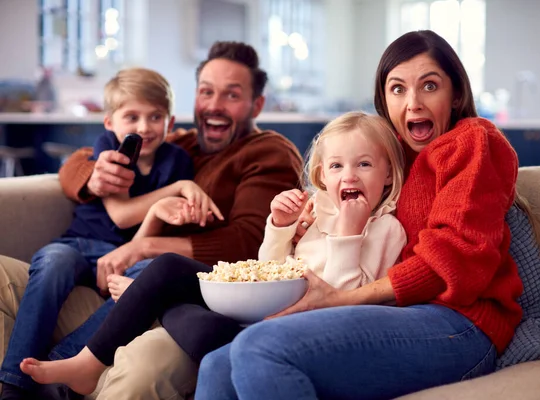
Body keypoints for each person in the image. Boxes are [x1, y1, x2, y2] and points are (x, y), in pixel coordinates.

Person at [191, 30, 540, 400]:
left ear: (456, 93)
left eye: (429, 86)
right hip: (400, 313)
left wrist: (339, 299)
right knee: (216, 365)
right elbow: (338, 190)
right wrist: (307, 225)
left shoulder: (472, 141)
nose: (412, 104)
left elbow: (453, 259)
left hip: (462, 323)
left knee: (260, 346)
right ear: (383, 98)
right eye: (398, 89)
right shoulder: (387, 154)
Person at [17, 111, 408, 395]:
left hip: (285, 332)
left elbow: (345, 302)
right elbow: (267, 270)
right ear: (322, 174)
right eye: (337, 166)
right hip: (257, 310)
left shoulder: (386, 230)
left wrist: (348, 234)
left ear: (388, 174)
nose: (349, 176)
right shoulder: (314, 211)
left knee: (198, 325)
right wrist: (279, 226)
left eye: (364, 164)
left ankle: (146, 300)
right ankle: (90, 361)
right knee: (166, 268)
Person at [0, 41, 303, 400]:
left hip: (176, 302)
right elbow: (82, 159)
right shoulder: (184, 145)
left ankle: (56, 377)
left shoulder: (267, 152)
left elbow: (248, 242)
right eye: (206, 92)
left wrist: (144, 246)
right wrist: (91, 176)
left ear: (257, 105)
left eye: (231, 95)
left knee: (141, 371)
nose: (214, 106)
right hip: (114, 285)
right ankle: (15, 384)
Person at [0, 67, 212, 400]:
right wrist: (180, 189)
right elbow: (121, 214)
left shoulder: (178, 160)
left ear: (171, 124)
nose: (144, 127)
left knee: (148, 278)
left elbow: (140, 236)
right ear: (110, 123)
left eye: (156, 117)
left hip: (130, 255)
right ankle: (13, 383)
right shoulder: (109, 150)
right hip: (79, 245)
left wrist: (163, 207)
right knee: (54, 260)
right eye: (132, 117)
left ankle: (59, 370)